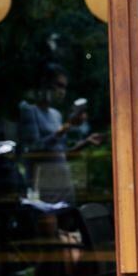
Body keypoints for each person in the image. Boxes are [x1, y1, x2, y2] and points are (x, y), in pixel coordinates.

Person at [17, 63, 103, 203]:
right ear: (45, 84)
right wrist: (67, 127)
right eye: (58, 85)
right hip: (44, 184)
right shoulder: (29, 110)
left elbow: (62, 154)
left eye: (64, 87)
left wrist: (87, 142)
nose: (62, 91)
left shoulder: (55, 114)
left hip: (62, 181)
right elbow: (34, 149)